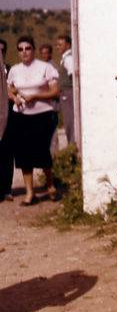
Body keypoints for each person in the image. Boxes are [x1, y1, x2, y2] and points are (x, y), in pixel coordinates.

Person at [6, 36, 60, 204]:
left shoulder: (45, 67)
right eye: (21, 49)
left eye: (27, 48)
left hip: (43, 115)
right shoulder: (15, 69)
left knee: (42, 151)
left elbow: (55, 91)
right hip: (20, 115)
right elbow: (9, 88)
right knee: (23, 154)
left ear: (33, 50)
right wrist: (14, 98)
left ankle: (50, 184)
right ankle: (30, 193)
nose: (24, 52)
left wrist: (36, 95)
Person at [56, 34, 75, 146]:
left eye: (60, 45)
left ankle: (72, 146)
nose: (58, 47)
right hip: (65, 94)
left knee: (70, 122)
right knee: (68, 122)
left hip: (68, 94)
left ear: (67, 45)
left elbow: (72, 75)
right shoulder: (65, 58)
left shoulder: (68, 59)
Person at [0, 40, 12, 201]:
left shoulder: (10, 69)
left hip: (8, 115)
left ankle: (7, 189)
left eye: (2, 50)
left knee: (7, 154)